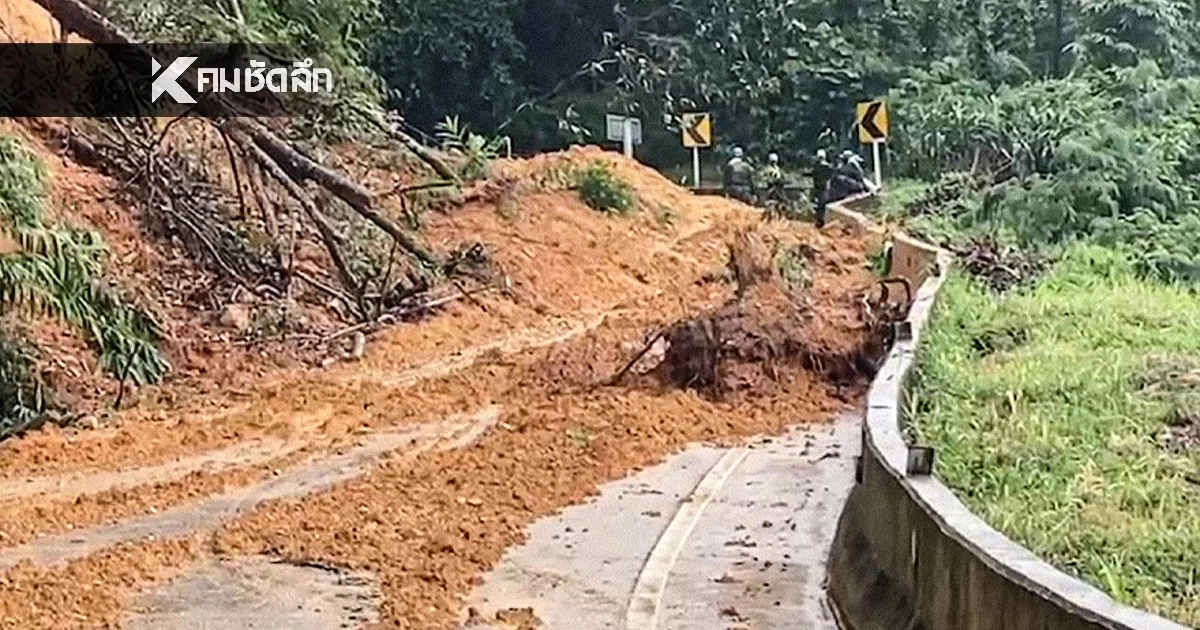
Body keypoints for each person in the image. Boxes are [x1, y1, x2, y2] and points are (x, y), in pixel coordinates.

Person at [811, 149, 834, 228]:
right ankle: (820, 221)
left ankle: (820, 221)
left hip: (821, 188)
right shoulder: (827, 167)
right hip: (822, 188)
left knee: (821, 205)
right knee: (821, 205)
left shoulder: (817, 166)